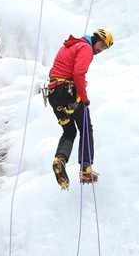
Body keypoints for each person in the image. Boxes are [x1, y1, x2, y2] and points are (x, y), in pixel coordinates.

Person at [47, 28, 113, 189]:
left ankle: (59, 160)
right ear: (95, 39)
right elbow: (78, 73)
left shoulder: (71, 46)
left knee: (69, 131)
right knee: (86, 128)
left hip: (54, 94)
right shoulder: (85, 48)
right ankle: (86, 167)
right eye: (101, 45)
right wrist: (84, 98)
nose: (100, 49)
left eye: (104, 48)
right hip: (67, 91)